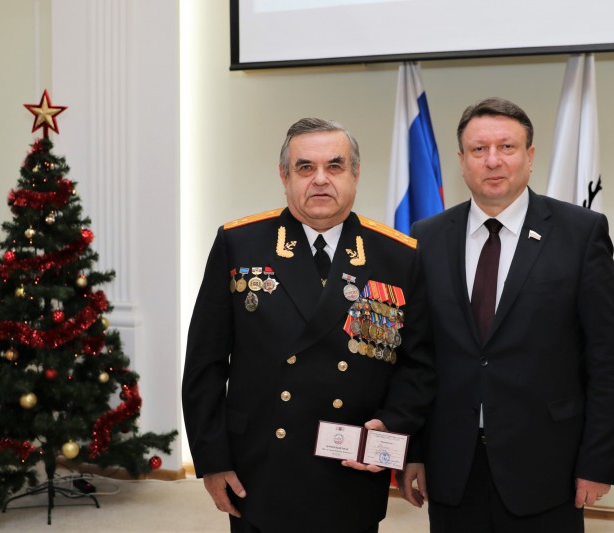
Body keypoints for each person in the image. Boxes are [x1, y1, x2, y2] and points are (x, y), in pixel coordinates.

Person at [182, 117, 435, 533]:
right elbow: (204, 364)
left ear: (355, 174)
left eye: (335, 166)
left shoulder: (398, 256)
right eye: (305, 167)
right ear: (284, 176)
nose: (320, 179)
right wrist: (212, 460)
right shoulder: (239, 243)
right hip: (260, 464)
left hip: (351, 466)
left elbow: (418, 364)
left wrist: (394, 425)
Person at [398, 97, 614, 532]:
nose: (493, 161)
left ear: (530, 156)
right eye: (479, 149)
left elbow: (608, 358)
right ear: (461, 161)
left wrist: (598, 460)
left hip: (549, 466)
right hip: (453, 466)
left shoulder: (580, 233)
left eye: (507, 147)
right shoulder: (426, 237)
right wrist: (414, 450)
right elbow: (417, 356)